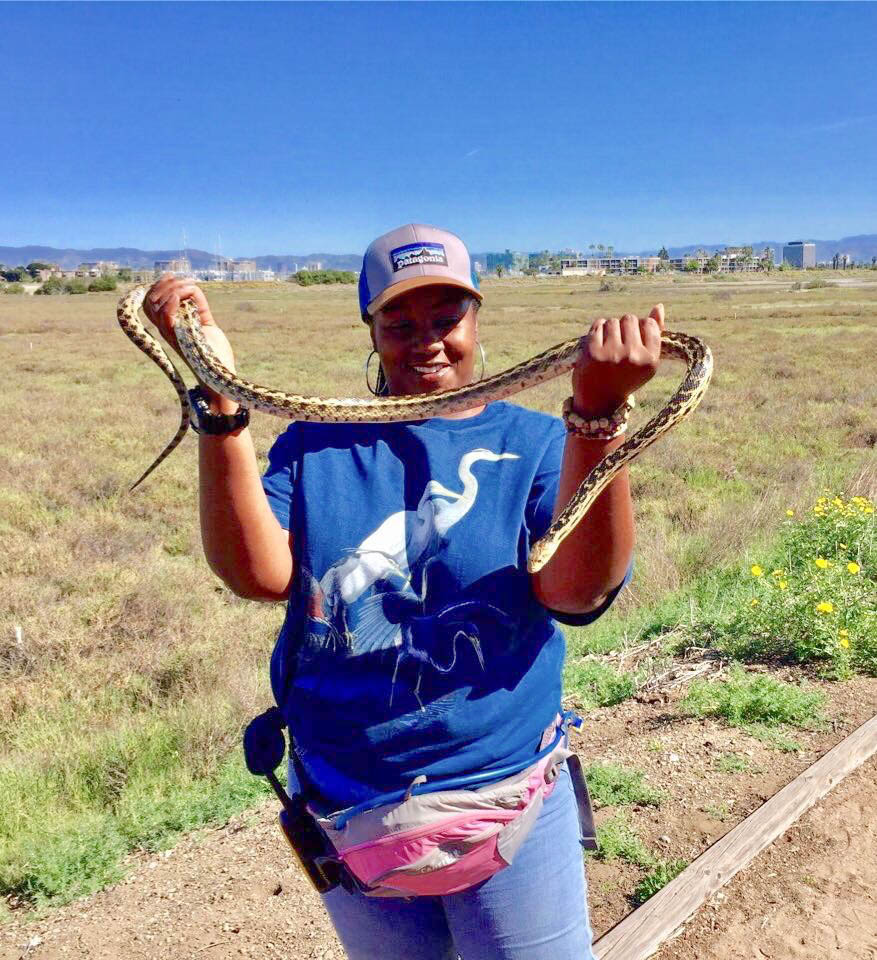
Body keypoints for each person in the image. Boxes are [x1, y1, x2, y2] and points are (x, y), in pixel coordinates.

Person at [145, 224, 665, 960]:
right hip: (349, 806)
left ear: (477, 321)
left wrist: (597, 421)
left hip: (504, 797)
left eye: (446, 317)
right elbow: (258, 576)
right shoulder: (316, 443)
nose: (426, 339)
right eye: (399, 320)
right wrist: (218, 397)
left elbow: (575, 595)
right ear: (371, 329)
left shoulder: (538, 444)